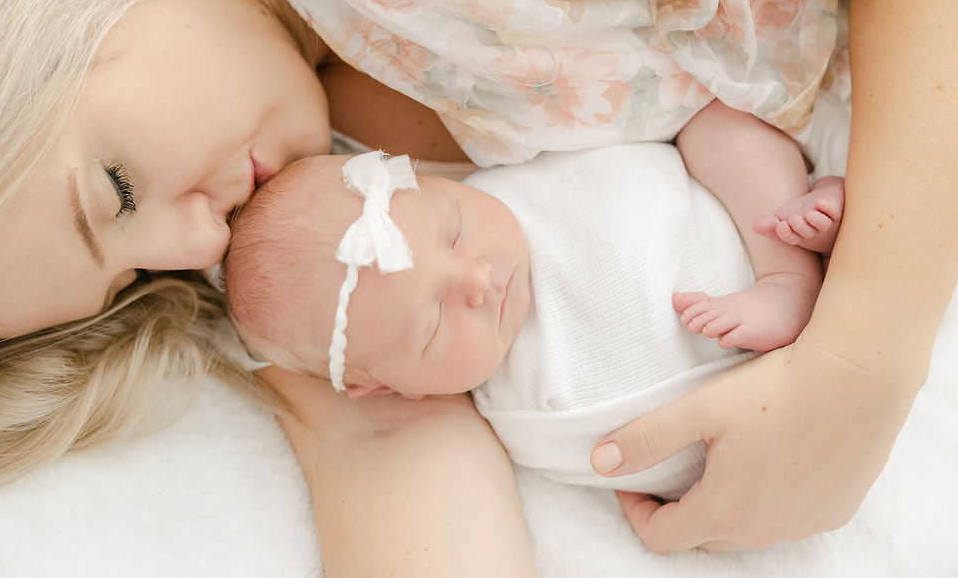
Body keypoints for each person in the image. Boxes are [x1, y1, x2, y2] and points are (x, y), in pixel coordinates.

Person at [0, 0, 952, 573]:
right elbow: (381, 435)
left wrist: (864, 355)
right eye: (129, 278)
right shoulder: (273, 234)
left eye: (115, 189)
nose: (190, 243)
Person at [223, 141, 843, 501]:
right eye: (434, 320)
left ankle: (791, 272)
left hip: (753, 229)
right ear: (388, 386)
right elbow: (661, 471)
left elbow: (654, 140)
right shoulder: (525, 425)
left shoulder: (520, 173)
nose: (477, 279)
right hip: (783, 410)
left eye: (455, 229)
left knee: (723, 133)